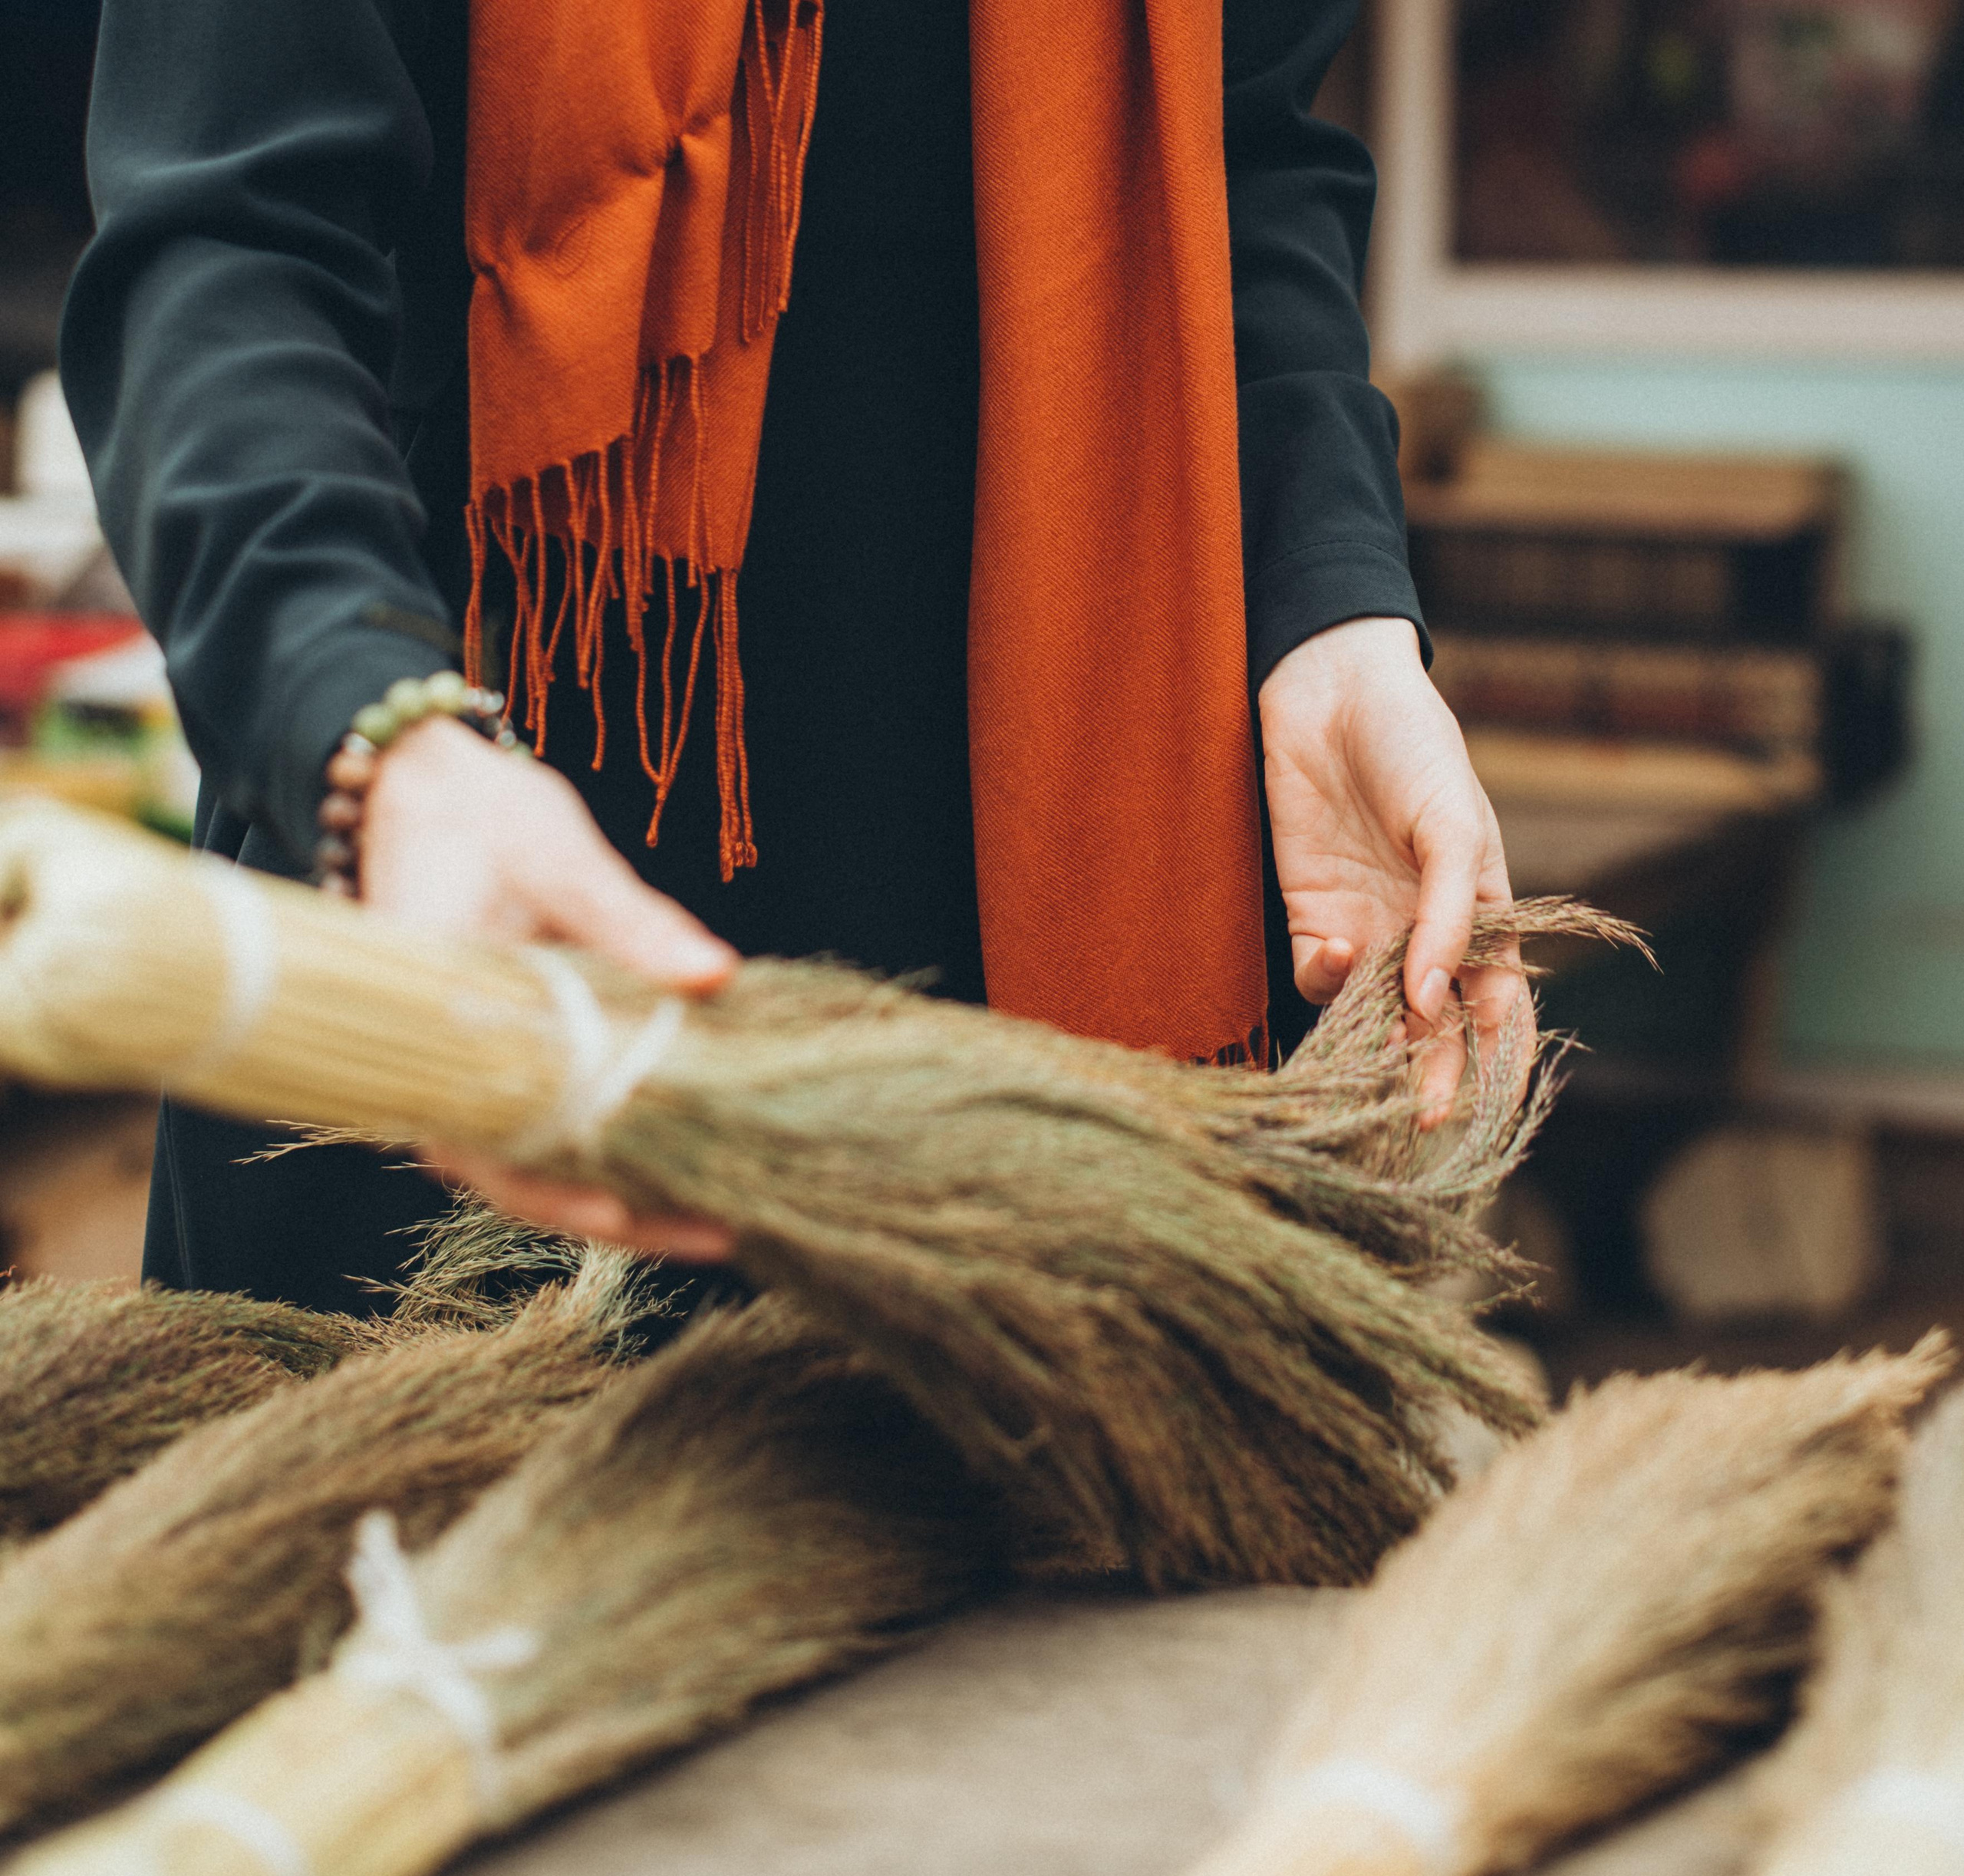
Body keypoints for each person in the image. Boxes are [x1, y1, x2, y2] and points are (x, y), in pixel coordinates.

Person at [63, 0, 1517, 1314]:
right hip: (481, 922)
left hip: (1057, 1000)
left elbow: (1237, 162)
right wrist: (374, 730)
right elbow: (227, 239)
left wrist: (1337, 616)